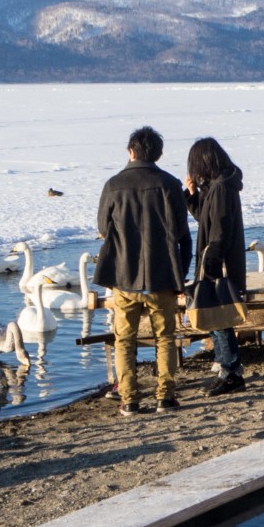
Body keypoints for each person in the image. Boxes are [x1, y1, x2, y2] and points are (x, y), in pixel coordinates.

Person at [92, 125, 192, 414]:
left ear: (131, 151)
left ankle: (130, 399)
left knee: (124, 340)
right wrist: (180, 272)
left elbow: (103, 228)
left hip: (124, 278)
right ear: (157, 154)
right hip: (163, 276)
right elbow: (183, 235)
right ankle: (166, 396)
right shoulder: (171, 185)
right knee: (165, 338)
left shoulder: (113, 185)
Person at [184, 136, 248, 396]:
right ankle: (226, 367)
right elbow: (206, 218)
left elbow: (219, 231)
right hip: (216, 259)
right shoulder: (218, 187)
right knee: (217, 317)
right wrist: (193, 196)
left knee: (219, 317)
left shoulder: (221, 188)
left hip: (218, 263)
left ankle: (231, 371)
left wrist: (210, 264)